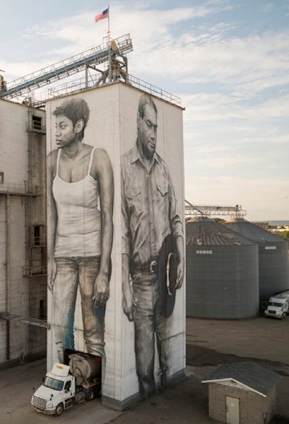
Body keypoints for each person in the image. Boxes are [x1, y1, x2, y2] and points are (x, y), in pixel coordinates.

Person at [120, 94, 184, 397]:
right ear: (137, 123)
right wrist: (124, 285)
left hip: (167, 279)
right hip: (142, 281)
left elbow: (176, 217)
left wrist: (181, 255)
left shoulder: (164, 170)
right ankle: (147, 404)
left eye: (157, 127)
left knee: (168, 357)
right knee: (143, 363)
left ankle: (170, 399)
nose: (154, 134)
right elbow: (121, 232)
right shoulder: (123, 168)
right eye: (149, 125)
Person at [47, 97, 114, 360]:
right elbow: (50, 212)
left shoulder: (99, 158)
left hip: (92, 257)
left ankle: (96, 385)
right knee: (60, 329)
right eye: (56, 127)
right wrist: (50, 257)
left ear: (79, 126)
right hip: (63, 257)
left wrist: (104, 273)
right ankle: (67, 378)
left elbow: (108, 216)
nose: (57, 132)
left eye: (62, 126)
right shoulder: (52, 160)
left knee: (93, 331)